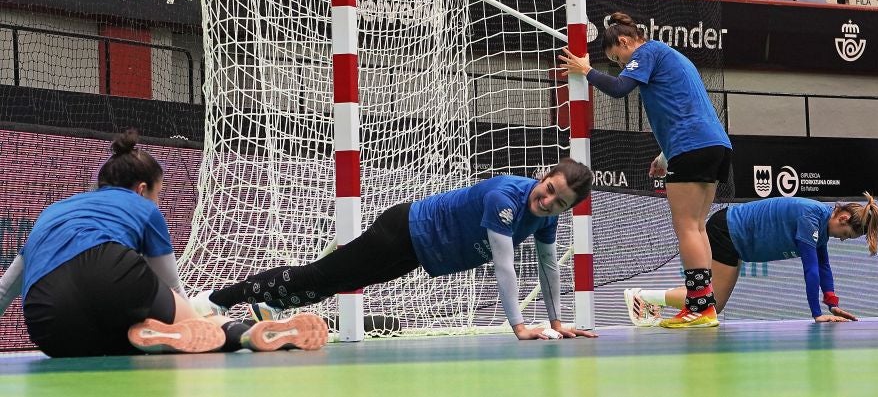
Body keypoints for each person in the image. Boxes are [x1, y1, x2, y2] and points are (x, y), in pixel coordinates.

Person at [0, 129, 328, 357]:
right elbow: (171, 285)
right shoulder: (141, 207)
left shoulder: (51, 212)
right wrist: (193, 318)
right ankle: (245, 333)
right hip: (108, 272)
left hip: (50, 325)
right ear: (143, 189)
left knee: (118, 339)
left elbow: (5, 290)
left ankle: (155, 338)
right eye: (158, 193)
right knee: (196, 325)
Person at [192, 158, 599, 340]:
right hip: (402, 232)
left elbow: (549, 267)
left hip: (416, 253)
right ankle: (212, 303)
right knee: (321, 275)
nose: (547, 203)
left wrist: (558, 320)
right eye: (548, 191)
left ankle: (265, 311)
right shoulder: (505, 198)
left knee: (332, 283)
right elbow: (505, 266)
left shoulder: (546, 219)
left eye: (558, 203)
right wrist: (519, 327)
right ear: (542, 176)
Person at [558, 12, 732, 328]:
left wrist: (587, 71)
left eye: (618, 57)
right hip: (715, 145)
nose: (622, 65)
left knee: (688, 228)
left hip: (691, 146)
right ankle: (704, 306)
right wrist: (665, 156)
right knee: (698, 226)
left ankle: (700, 307)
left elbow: (619, 88)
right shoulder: (673, 57)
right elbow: (685, 107)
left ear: (625, 42)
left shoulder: (648, 52)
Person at [624, 194, 878, 326]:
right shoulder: (811, 217)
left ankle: (649, 300)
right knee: (709, 302)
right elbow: (811, 268)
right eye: (846, 235)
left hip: (735, 238)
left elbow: (823, 265)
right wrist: (817, 313)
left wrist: (832, 304)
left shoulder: (823, 226)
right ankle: (642, 297)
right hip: (728, 230)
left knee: (713, 306)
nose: (842, 239)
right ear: (843, 219)